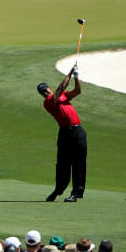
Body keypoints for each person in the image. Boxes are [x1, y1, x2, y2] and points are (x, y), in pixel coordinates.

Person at [39, 65, 87, 202]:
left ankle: (76, 193)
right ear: (42, 94)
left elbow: (77, 91)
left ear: (48, 88)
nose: (45, 92)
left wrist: (76, 77)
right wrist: (70, 72)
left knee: (79, 163)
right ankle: (58, 190)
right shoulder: (48, 102)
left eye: (45, 89)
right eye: (42, 91)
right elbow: (60, 88)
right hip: (65, 133)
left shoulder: (63, 96)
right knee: (62, 164)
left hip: (78, 131)